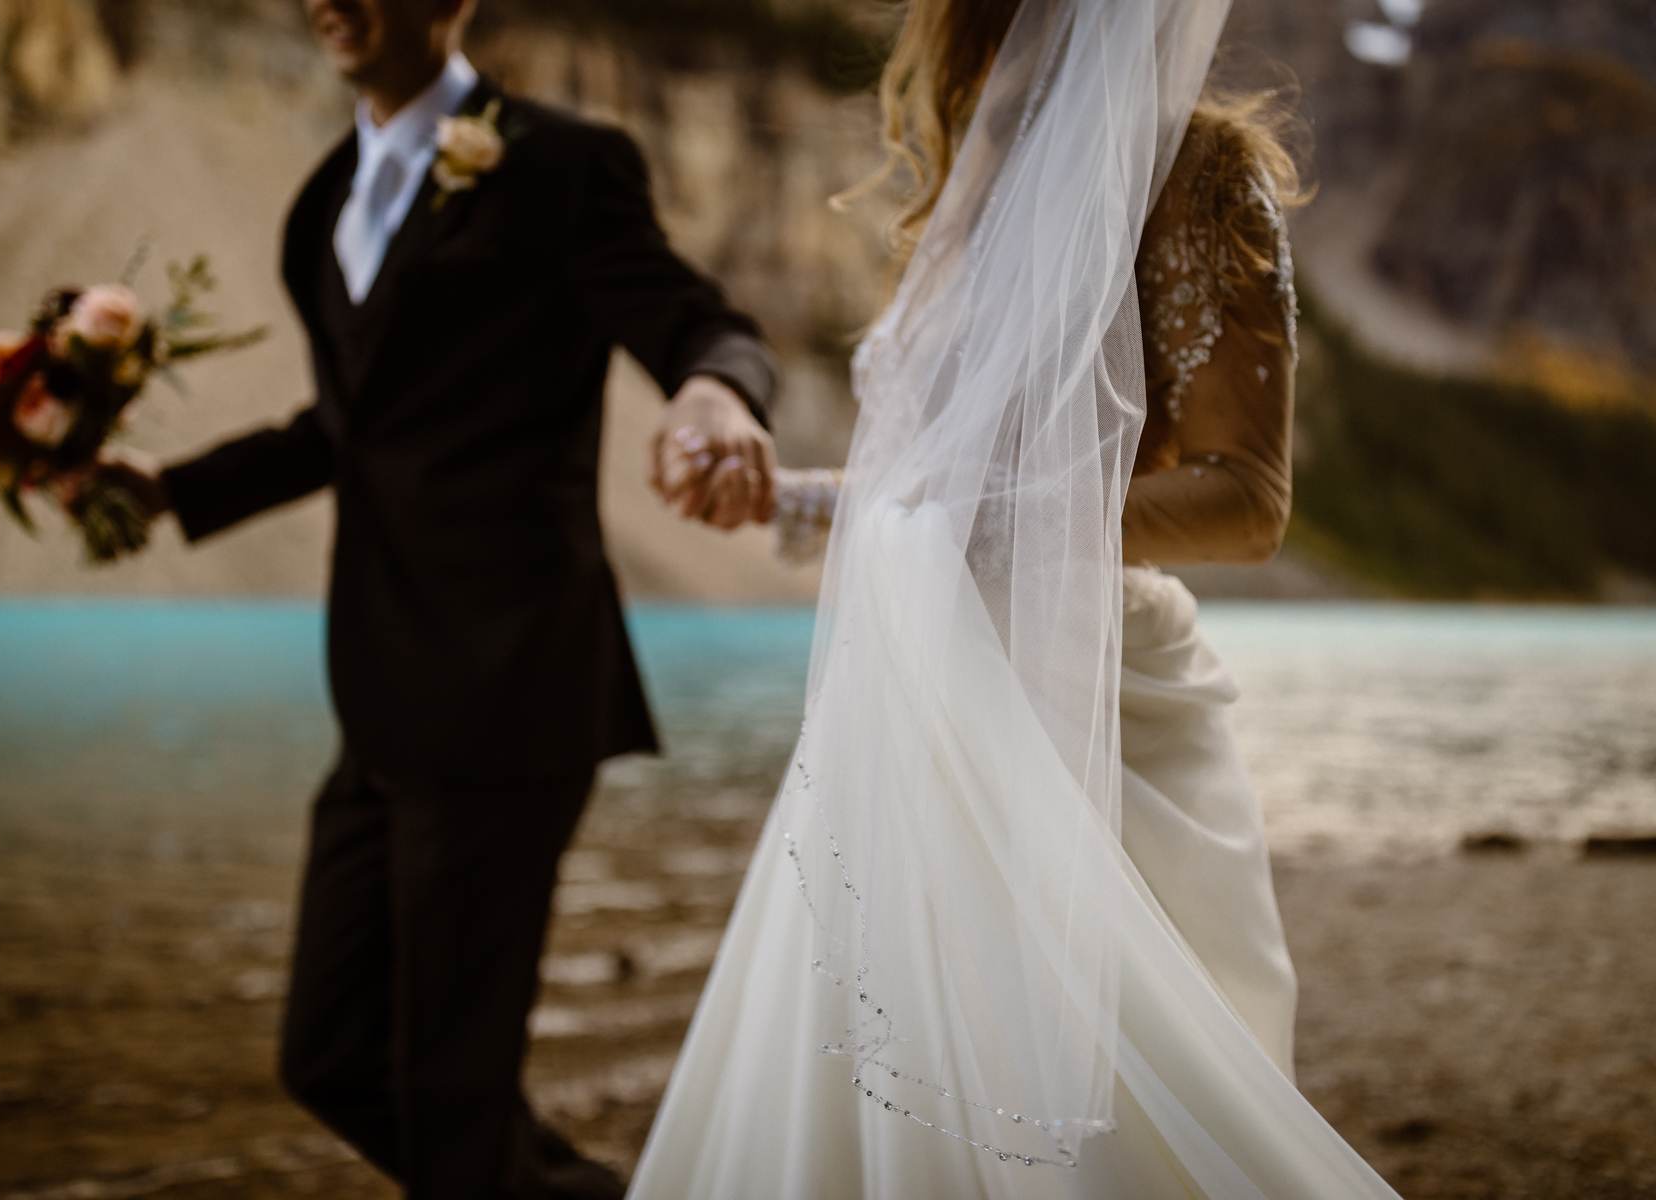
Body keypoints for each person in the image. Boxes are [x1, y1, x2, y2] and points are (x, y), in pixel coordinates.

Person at [633, 1, 1401, 1196]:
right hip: (904, 717)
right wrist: (784, 503)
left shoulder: (1196, 168)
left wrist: (975, 527)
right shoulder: (974, 175)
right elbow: (940, 487)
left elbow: (1249, 500)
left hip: (1096, 712)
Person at [108, 0, 777, 1194]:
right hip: (377, 699)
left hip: (513, 688)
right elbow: (347, 429)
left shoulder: (563, 162)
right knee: (329, 1058)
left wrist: (718, 397)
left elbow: (700, 324)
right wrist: (169, 488)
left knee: (450, 1096)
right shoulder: (318, 205)